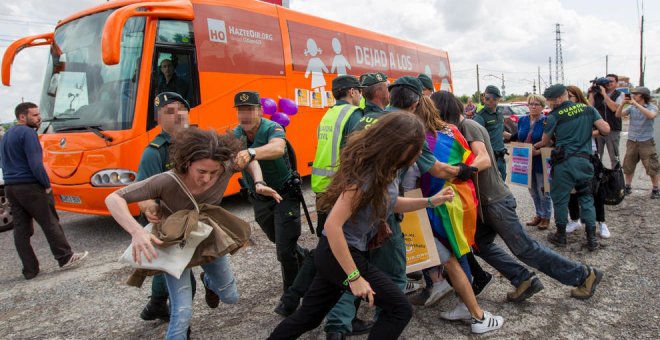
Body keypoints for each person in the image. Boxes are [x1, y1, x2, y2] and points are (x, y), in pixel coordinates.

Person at [268, 112, 457, 340]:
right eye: (417, 147)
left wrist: (430, 201)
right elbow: (333, 225)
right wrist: (355, 277)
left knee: (309, 317)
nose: (420, 152)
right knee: (400, 309)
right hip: (338, 253)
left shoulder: (388, 169)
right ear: (400, 145)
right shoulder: (366, 177)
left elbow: (391, 202)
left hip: (341, 254)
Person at [106, 128, 281, 339]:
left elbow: (248, 159)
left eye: (213, 173)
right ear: (188, 162)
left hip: (207, 237)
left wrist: (259, 182)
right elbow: (114, 198)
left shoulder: (225, 167)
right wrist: (136, 232)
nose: (207, 178)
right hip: (175, 244)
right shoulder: (167, 180)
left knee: (231, 296)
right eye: (201, 172)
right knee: (182, 313)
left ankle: (208, 282)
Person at [439, 87, 605, 302]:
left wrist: (457, 170)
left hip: (494, 201)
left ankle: (584, 275)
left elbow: (483, 159)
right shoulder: (462, 127)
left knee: (525, 248)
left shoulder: (467, 126)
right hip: (484, 202)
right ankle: (522, 279)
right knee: (479, 244)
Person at [411, 96, 504, 334]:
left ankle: (469, 308)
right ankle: (466, 304)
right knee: (462, 250)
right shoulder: (451, 130)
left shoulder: (418, 138)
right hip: (463, 197)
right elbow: (470, 160)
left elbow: (433, 170)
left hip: (440, 202)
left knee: (454, 256)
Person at [232, 90, 306, 315]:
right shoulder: (236, 134)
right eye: (241, 110)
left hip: (284, 195)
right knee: (282, 242)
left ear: (260, 110)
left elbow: (277, 148)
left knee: (284, 251)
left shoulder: (272, 128)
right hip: (260, 200)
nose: (245, 115)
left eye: (250, 109)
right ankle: (310, 264)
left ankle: (290, 299)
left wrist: (252, 152)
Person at [1, 102, 88, 280]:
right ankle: (65, 257)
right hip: (30, 186)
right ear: (22, 117)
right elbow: (35, 163)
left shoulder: (7, 135)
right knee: (50, 221)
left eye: (38, 114)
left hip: (11, 186)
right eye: (34, 115)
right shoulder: (28, 133)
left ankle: (30, 269)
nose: (39, 118)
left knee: (21, 229)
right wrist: (46, 183)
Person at [137, 92, 195, 322]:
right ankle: (181, 324)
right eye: (170, 112)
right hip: (167, 223)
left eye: (182, 108)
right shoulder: (155, 151)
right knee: (181, 275)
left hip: (191, 218)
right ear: (159, 120)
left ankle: (157, 303)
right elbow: (142, 192)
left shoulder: (197, 142)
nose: (178, 114)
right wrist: (149, 207)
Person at [536, 84, 611, 252]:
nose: (550, 103)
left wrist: (536, 145)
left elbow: (545, 141)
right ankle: (591, 238)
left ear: (560, 98)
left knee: (560, 198)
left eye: (551, 100)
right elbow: (605, 129)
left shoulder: (554, 116)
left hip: (563, 164)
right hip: (585, 162)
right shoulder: (588, 109)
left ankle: (561, 236)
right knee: (586, 197)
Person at [564, 86, 609, 238]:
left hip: (589, 155)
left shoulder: (588, 110)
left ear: (577, 97)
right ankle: (574, 219)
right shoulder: (562, 114)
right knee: (571, 192)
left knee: (595, 192)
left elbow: (604, 130)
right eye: (565, 96)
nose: (567, 99)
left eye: (569, 96)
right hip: (568, 157)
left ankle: (601, 222)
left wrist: (584, 132)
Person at [615, 86, 659, 199]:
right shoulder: (631, 107)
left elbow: (651, 115)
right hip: (632, 140)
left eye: (636, 94)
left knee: (651, 165)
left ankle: (655, 188)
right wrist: (622, 104)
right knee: (629, 164)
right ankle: (627, 186)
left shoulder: (652, 107)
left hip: (646, 141)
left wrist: (636, 104)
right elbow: (618, 115)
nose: (633, 95)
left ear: (643, 96)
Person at [518, 94, 552, 230]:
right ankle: (538, 214)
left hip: (542, 159)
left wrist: (537, 151)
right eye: (531, 103)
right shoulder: (522, 120)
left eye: (536, 104)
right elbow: (519, 137)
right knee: (532, 190)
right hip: (525, 160)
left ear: (543, 106)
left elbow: (552, 142)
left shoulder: (547, 121)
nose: (533, 106)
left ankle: (546, 217)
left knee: (544, 190)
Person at [473, 85, 510, 181]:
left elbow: (501, 132)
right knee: (492, 187)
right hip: (489, 158)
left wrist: (515, 137)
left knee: (502, 183)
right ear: (484, 98)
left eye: (494, 98)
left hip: (501, 157)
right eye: (487, 97)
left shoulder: (499, 113)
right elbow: (475, 138)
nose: (490, 100)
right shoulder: (480, 117)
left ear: (498, 99)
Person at [588, 74, 623, 168]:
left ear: (616, 83)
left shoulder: (619, 95)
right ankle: (597, 177)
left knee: (614, 157)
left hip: (613, 130)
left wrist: (604, 94)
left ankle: (616, 178)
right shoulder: (597, 94)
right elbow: (589, 108)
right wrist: (591, 93)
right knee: (597, 155)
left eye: (611, 81)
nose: (608, 83)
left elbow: (614, 108)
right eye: (606, 81)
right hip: (598, 130)